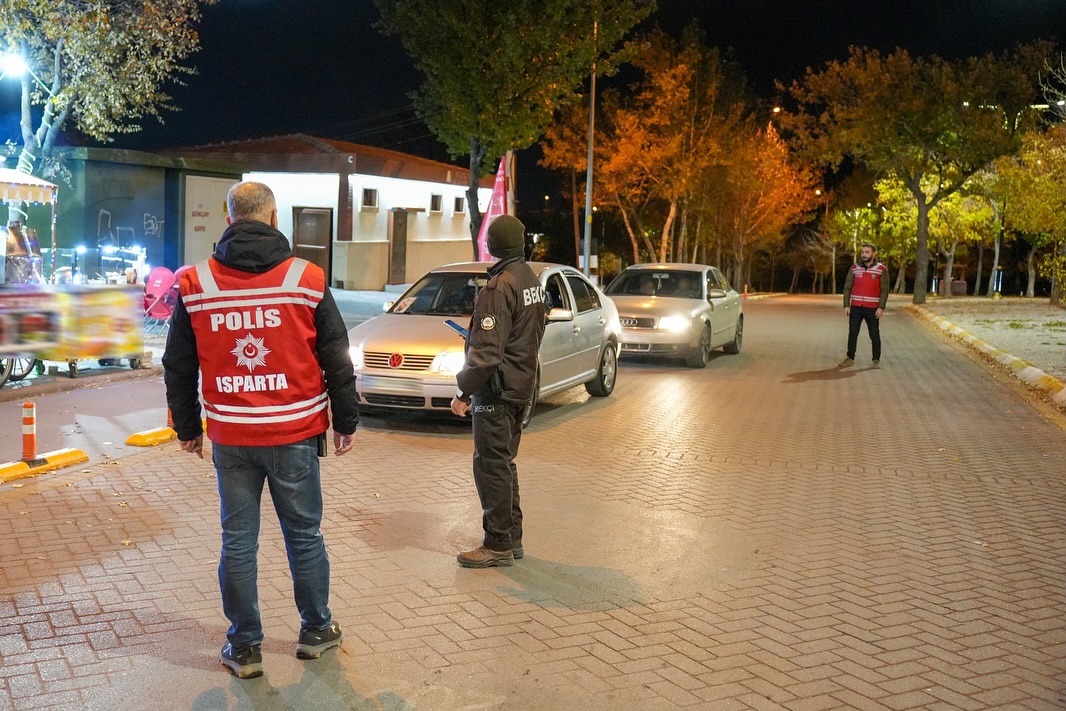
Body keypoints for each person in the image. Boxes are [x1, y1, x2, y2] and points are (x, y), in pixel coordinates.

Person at [162, 181, 358, 679]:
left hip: (231, 437)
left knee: (237, 541)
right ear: (274, 219)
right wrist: (347, 419)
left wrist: (188, 427)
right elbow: (336, 354)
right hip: (294, 432)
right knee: (305, 537)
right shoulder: (306, 278)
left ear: (229, 221)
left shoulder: (195, 282)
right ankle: (316, 631)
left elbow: (178, 365)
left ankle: (244, 646)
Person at [450, 215, 546, 568]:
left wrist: (463, 391)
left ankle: (497, 544)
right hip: (522, 386)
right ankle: (512, 538)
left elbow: (487, 354)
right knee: (504, 463)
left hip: (496, 392)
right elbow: (529, 333)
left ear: (491, 245)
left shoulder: (498, 286)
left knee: (491, 466)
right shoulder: (529, 279)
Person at [840, 242, 890, 368]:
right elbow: (847, 287)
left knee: (874, 334)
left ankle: (876, 360)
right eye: (862, 252)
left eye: (867, 252)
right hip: (856, 307)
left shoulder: (881, 269)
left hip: (872, 308)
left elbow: (884, 289)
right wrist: (846, 305)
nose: (864, 255)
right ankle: (850, 358)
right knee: (853, 333)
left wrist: (881, 307)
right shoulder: (854, 268)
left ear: (874, 254)